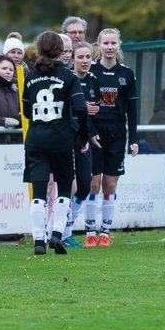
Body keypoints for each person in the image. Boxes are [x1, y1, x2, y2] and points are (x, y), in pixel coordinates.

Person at [22, 31, 89, 256]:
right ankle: (58, 234)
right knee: (64, 187)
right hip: (61, 140)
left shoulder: (30, 77)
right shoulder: (69, 77)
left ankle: (38, 240)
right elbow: (80, 108)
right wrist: (83, 135)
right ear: (61, 51)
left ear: (39, 50)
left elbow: (26, 111)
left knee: (39, 190)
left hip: (36, 141)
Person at [82, 28, 138, 247]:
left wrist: (134, 138)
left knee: (110, 184)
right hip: (95, 131)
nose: (109, 47)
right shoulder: (91, 71)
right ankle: (89, 233)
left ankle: (105, 232)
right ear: (99, 45)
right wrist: (91, 131)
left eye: (113, 43)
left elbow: (132, 109)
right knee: (93, 184)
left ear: (118, 45)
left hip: (117, 132)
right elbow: (82, 107)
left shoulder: (126, 73)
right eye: (105, 43)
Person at [64, 41, 100, 246]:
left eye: (88, 57)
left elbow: (96, 111)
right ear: (73, 59)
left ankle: (67, 224)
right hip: (67, 136)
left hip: (84, 136)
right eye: (81, 57)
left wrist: (92, 131)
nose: (85, 61)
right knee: (68, 185)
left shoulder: (93, 80)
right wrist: (81, 107)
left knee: (85, 185)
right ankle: (64, 232)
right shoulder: (66, 79)